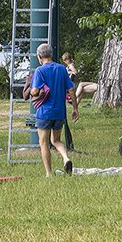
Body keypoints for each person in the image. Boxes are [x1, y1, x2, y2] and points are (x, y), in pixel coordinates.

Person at [28, 43, 77, 176]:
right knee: (56, 140)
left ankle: (49, 173)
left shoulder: (39, 70)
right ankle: (66, 158)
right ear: (51, 54)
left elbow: (35, 91)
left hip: (44, 112)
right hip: (59, 112)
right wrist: (75, 108)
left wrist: (32, 90)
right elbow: (71, 89)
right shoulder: (61, 68)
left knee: (43, 142)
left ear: (39, 56)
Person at [60, 52, 98, 121]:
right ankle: (75, 112)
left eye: (65, 60)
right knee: (82, 91)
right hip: (69, 83)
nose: (64, 61)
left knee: (81, 85)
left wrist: (69, 72)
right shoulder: (68, 66)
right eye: (64, 60)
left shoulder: (70, 66)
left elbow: (75, 72)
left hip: (72, 83)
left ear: (68, 59)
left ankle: (73, 99)